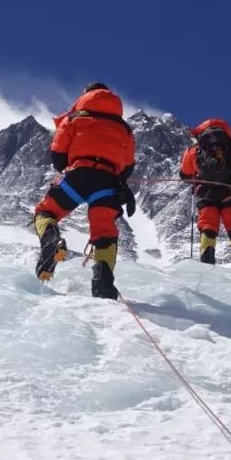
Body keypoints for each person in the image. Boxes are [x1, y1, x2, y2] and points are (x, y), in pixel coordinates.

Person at [33, 83, 136, 299]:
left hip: (77, 175)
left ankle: (51, 241)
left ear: (85, 95)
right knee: (105, 232)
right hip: (107, 183)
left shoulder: (74, 118)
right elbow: (127, 167)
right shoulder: (124, 129)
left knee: (46, 212)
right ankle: (103, 285)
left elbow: (58, 156)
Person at [179, 118, 231, 270]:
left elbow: (184, 175)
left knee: (208, 225)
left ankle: (207, 263)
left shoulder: (193, 150)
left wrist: (196, 179)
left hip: (206, 194)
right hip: (230, 192)